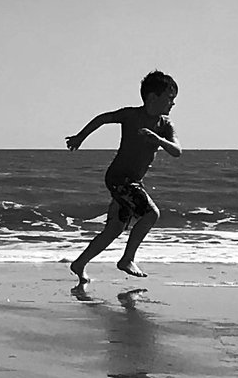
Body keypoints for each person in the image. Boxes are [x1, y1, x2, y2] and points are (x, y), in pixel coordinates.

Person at [65, 71, 181, 282]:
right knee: (151, 214)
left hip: (133, 182)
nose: (172, 103)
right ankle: (127, 259)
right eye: (169, 98)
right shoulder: (131, 116)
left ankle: (79, 264)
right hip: (120, 178)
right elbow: (103, 118)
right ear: (152, 97)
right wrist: (80, 137)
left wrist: (158, 140)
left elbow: (177, 150)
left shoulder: (165, 126)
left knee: (114, 229)